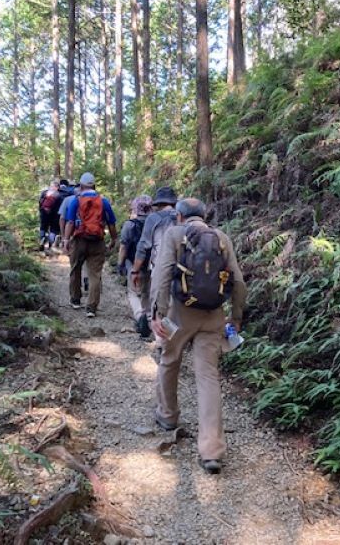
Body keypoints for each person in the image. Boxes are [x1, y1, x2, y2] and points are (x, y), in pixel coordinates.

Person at [150, 198, 247, 475]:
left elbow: (162, 274)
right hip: (214, 315)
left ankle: (168, 415)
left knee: (169, 359)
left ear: (179, 216)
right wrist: (236, 317)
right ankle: (212, 450)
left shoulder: (173, 234)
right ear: (205, 216)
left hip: (179, 313)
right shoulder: (221, 237)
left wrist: (156, 312)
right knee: (208, 376)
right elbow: (238, 282)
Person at [63, 172, 118, 317]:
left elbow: (69, 222)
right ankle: (91, 308)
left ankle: (75, 300)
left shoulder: (76, 200)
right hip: (97, 241)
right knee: (95, 274)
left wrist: (66, 240)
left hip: (79, 239)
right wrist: (113, 239)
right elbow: (111, 224)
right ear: (94, 185)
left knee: (75, 269)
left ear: (80, 186)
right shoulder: (104, 201)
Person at [131, 186, 179, 351]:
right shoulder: (182, 217)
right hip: (184, 268)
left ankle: (162, 341)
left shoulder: (154, 218)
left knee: (159, 303)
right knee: (176, 302)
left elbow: (144, 246)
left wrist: (135, 270)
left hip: (160, 266)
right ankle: (175, 338)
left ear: (158, 203)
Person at [117, 195, 153, 336]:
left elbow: (124, 246)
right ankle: (149, 320)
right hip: (151, 264)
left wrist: (120, 264)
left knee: (133, 293)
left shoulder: (130, 225)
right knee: (147, 293)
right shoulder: (156, 223)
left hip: (134, 264)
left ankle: (140, 317)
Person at [38, 180, 63, 252]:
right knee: (54, 229)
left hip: (44, 213)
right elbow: (61, 206)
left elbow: (40, 203)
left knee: (43, 227)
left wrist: (41, 211)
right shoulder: (59, 195)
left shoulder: (44, 193)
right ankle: (50, 245)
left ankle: (42, 240)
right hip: (55, 215)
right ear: (57, 187)